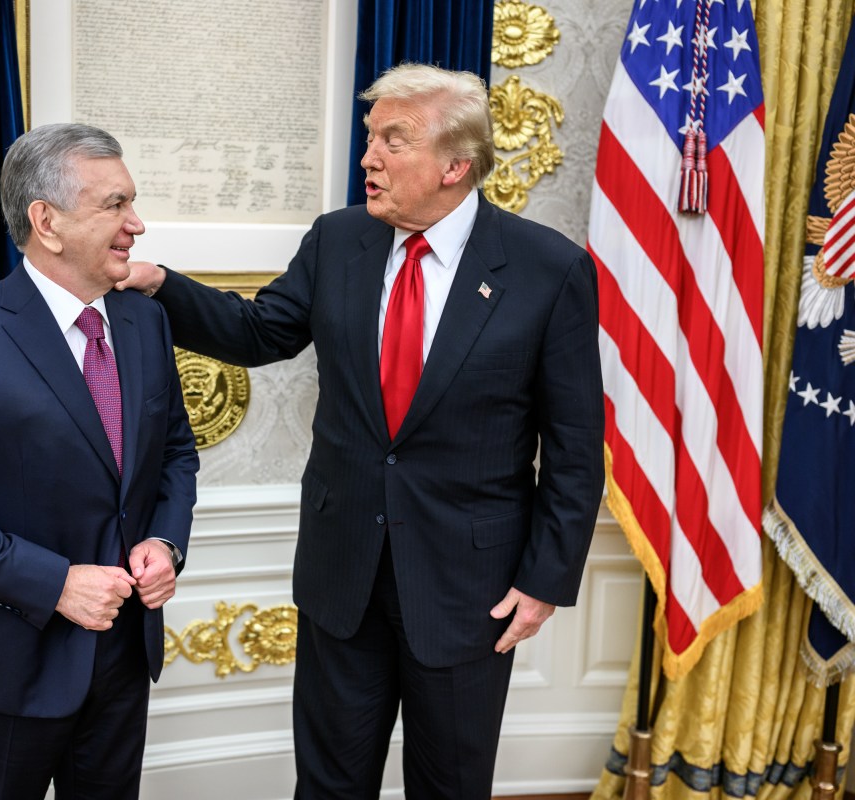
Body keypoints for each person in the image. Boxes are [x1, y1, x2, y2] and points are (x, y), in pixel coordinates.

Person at [120, 64, 605, 798]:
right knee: (328, 784)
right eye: (370, 137)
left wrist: (545, 581)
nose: (368, 158)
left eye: (392, 141)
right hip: (342, 571)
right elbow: (261, 331)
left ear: (455, 165)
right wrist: (160, 283)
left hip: (467, 587)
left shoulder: (548, 269)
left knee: (449, 784)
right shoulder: (338, 239)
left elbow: (573, 445)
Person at [0, 123, 199, 800]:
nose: (136, 225)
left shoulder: (147, 322)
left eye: (132, 203)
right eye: (115, 205)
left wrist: (165, 540)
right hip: (6, 667)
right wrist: (55, 583)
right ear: (47, 222)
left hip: (122, 654)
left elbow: (175, 452)